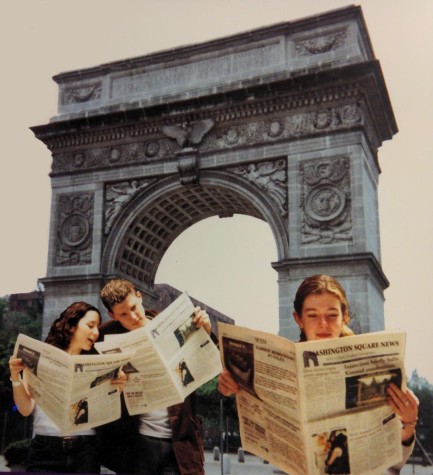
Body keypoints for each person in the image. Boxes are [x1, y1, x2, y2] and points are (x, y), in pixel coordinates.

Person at [218, 274, 419, 474]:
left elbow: (393, 464)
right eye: (312, 315)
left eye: (332, 315)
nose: (323, 324)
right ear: (299, 319)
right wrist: (238, 389)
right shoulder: (281, 368)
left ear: (345, 316)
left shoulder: (375, 365)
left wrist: (409, 422)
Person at [97, 278, 211, 475]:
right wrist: (109, 379)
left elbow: (211, 360)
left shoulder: (174, 323)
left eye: (134, 307)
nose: (132, 316)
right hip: (136, 445)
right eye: (123, 314)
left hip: (179, 441)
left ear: (140, 297)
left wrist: (206, 331)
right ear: (112, 315)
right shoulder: (105, 336)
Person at [9, 302, 105, 473]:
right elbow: (25, 409)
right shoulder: (39, 357)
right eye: (91, 325)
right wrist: (15, 377)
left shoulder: (97, 362)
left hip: (85, 451)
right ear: (71, 326)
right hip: (44, 451)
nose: (96, 332)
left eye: (98, 327)